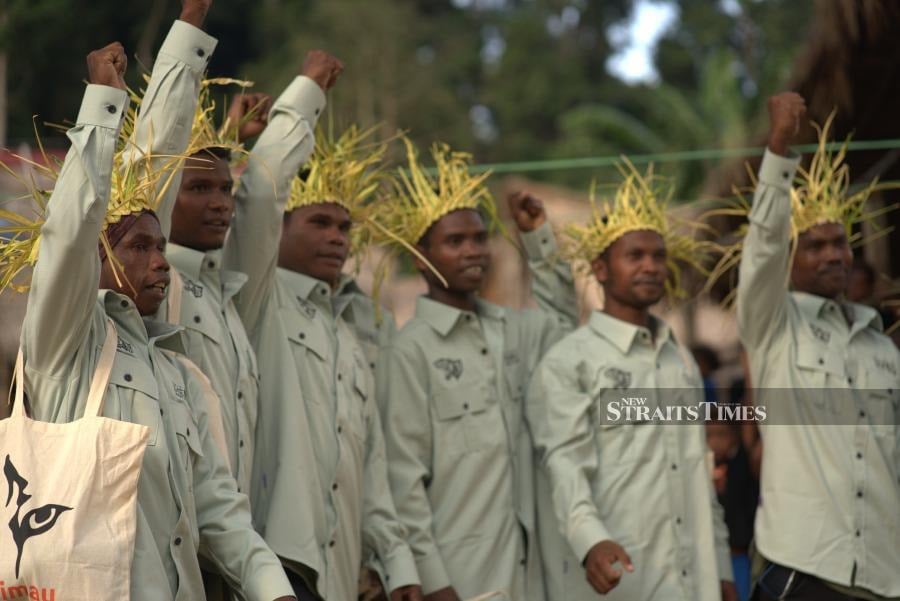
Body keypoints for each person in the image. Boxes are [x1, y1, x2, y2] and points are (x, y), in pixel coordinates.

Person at [11, 35, 296, 601]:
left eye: (161, 247)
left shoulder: (178, 375)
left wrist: (274, 589)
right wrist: (100, 107)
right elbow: (68, 234)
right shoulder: (66, 346)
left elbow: (220, 511)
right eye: (138, 247)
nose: (161, 262)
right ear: (98, 258)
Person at [375, 139, 578, 601]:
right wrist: (431, 578)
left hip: (528, 574)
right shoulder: (410, 350)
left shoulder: (510, 329)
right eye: (454, 241)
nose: (473, 252)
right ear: (421, 256)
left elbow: (564, 323)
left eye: (479, 238)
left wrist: (537, 239)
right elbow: (403, 480)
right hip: (459, 579)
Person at [229, 122, 423, 601]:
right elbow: (255, 205)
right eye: (318, 223)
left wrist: (398, 565)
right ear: (279, 227)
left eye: (344, 227)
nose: (337, 238)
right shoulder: (256, 302)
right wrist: (303, 103)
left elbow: (371, 466)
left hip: (335, 574)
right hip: (273, 567)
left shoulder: (349, 336)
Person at [525, 163, 736, 601]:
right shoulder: (570, 361)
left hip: (693, 585)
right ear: (600, 269)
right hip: (621, 582)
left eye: (658, 256)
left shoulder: (679, 361)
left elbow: (699, 468)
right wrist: (591, 541)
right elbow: (564, 468)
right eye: (634, 256)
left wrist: (718, 568)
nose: (650, 266)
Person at [737, 93, 900, 601]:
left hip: (883, 574)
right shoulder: (773, 326)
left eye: (840, 243)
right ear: (790, 259)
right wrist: (780, 150)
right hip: (802, 570)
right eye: (815, 245)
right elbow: (761, 246)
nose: (833, 254)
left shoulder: (884, 349)